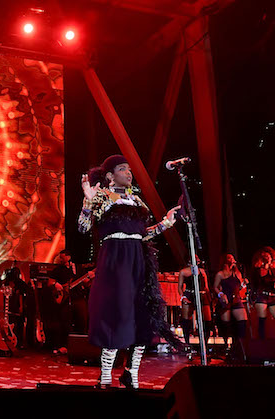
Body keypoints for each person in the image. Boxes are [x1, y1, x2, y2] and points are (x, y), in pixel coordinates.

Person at [78, 154, 180, 389]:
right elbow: (83, 228)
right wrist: (87, 203)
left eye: (129, 169)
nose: (128, 173)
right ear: (110, 176)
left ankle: (131, 372)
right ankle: (105, 374)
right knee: (117, 312)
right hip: (115, 259)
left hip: (138, 260)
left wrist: (165, 223)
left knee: (141, 313)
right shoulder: (101, 196)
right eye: (122, 169)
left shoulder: (136, 200)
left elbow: (142, 234)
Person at [213, 253, 248, 350]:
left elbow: (239, 287)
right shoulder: (220, 274)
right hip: (226, 300)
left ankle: (239, 345)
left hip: (236, 299)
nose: (232, 259)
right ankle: (226, 346)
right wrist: (221, 294)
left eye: (233, 258)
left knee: (242, 321)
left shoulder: (237, 273)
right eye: (229, 258)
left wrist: (243, 284)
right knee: (226, 324)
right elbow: (215, 287)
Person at [177, 257, 212, 348]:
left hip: (202, 295)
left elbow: (206, 287)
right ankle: (187, 343)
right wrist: (183, 297)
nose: (198, 259)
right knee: (186, 319)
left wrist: (210, 298)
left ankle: (204, 344)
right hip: (189, 294)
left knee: (207, 320)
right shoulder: (184, 272)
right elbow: (180, 287)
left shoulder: (202, 271)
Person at [250, 248, 274, 339]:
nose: (268, 258)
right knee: (262, 319)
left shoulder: (273, 270)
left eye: (269, 256)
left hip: (272, 296)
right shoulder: (258, 269)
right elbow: (261, 278)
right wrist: (265, 265)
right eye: (266, 256)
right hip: (261, 295)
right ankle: (261, 340)